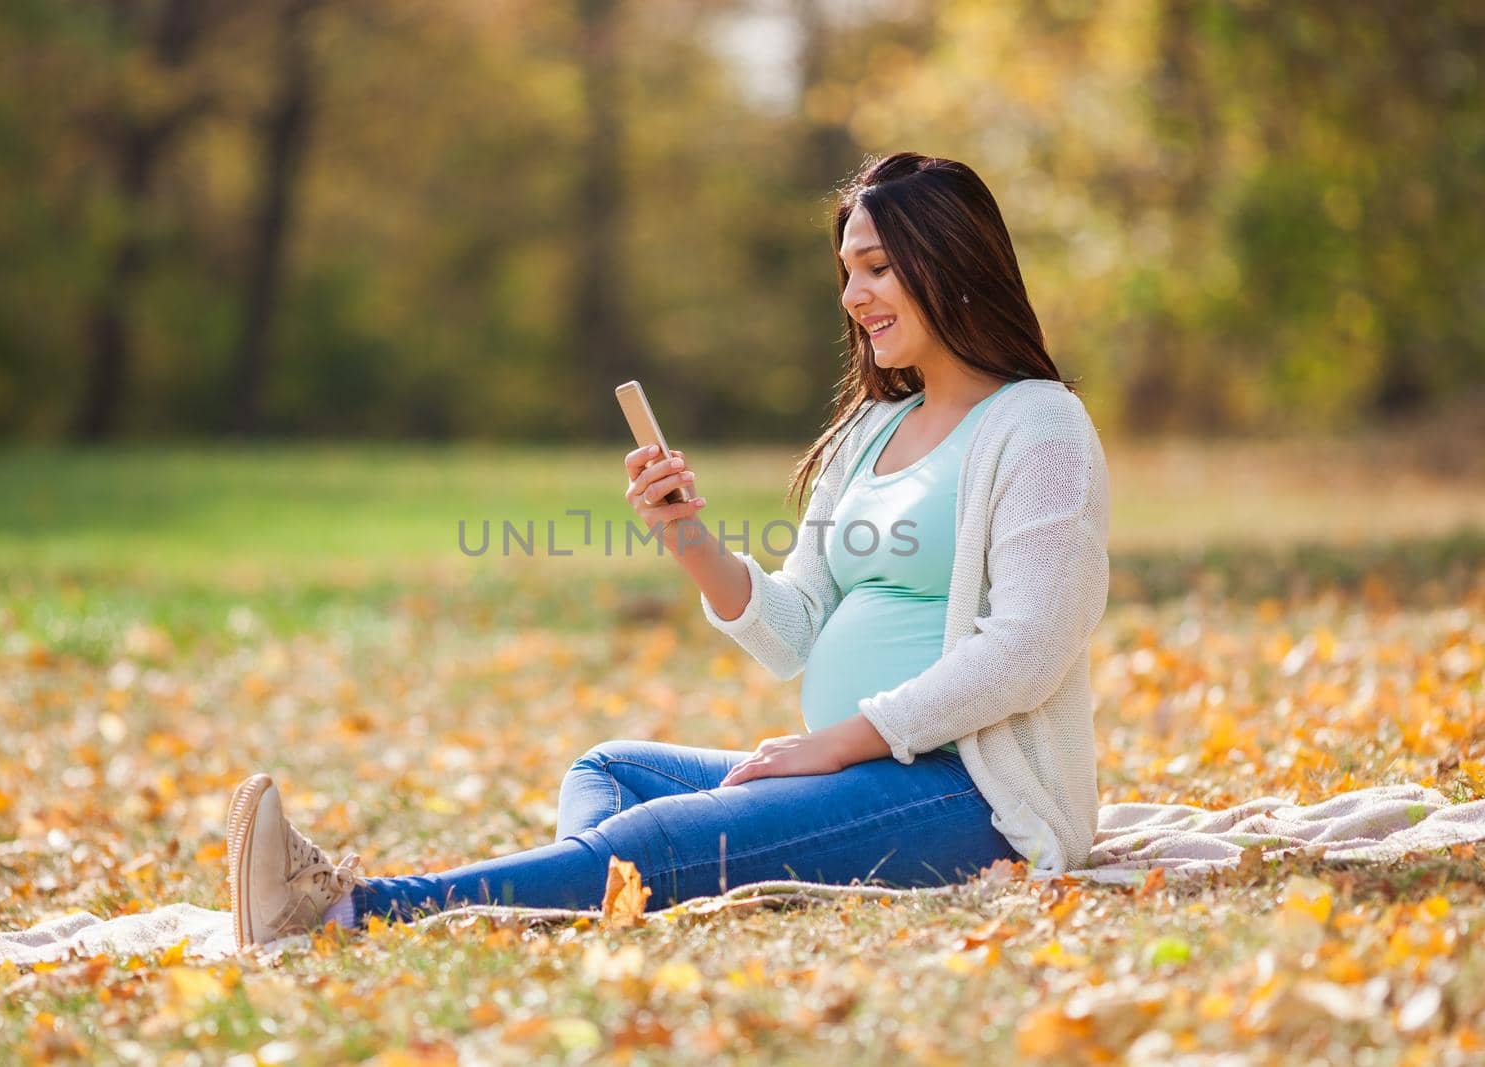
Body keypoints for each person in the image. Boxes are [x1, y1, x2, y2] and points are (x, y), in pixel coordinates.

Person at [222, 152, 1111, 949]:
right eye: (846, 272)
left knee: (661, 840)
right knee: (610, 768)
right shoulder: (871, 432)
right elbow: (796, 628)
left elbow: (1029, 648)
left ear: (950, 262)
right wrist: (689, 541)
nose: (852, 295)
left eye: (876, 268)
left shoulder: (1038, 425)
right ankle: (615, 892)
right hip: (850, 769)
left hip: (972, 797)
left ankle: (346, 910)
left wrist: (837, 746)